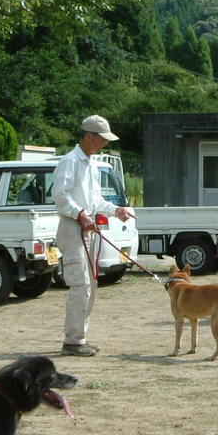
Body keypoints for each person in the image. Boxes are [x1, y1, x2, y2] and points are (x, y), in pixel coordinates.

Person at [51, 115, 131, 357]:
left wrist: (116, 210)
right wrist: (80, 214)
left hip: (87, 227)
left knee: (92, 284)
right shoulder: (70, 162)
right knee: (81, 284)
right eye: (102, 139)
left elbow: (95, 200)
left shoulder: (91, 163)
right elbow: (60, 196)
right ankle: (73, 341)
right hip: (73, 228)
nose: (105, 144)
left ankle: (79, 337)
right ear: (89, 136)